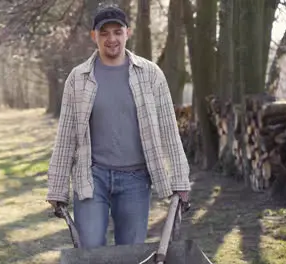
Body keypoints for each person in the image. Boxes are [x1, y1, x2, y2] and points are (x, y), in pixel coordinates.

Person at [46, 6, 190, 249]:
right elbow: (66, 136)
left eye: (117, 32)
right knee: (90, 250)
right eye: (104, 33)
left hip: (135, 179)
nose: (111, 39)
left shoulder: (150, 74)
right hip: (92, 177)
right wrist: (57, 188)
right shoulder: (78, 78)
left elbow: (168, 129)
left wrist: (181, 180)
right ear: (94, 36)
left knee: (131, 252)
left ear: (127, 33)